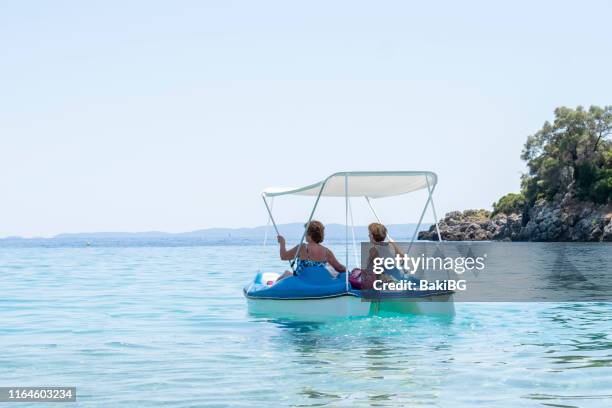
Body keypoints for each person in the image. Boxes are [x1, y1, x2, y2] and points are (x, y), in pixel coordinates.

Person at [276, 220, 346, 282]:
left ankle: (270, 287)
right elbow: (339, 268)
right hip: (317, 282)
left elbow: (283, 256)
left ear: (310, 234)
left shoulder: (302, 247)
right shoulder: (327, 252)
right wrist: (350, 272)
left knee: (286, 273)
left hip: (302, 281)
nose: (305, 235)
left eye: (305, 232)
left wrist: (282, 243)